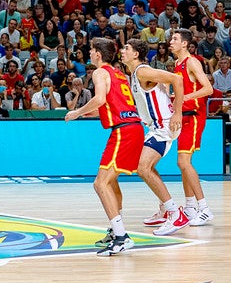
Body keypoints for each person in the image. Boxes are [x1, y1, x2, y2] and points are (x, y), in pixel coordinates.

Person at [65, 38, 144, 256]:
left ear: (98, 54)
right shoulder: (119, 74)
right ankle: (115, 229)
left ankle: (121, 236)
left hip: (124, 131)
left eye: (91, 50)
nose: (89, 53)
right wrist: (88, 114)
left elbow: (99, 99)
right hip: (133, 128)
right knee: (111, 181)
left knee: (100, 183)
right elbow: (110, 104)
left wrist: (77, 112)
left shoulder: (100, 73)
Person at [121, 39, 190, 236]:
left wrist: (177, 112)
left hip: (165, 125)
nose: (122, 51)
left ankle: (176, 213)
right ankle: (164, 208)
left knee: (142, 168)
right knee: (146, 167)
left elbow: (177, 79)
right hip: (156, 125)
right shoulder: (135, 74)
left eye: (126, 48)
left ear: (136, 54)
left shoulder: (142, 71)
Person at [170, 29, 215, 225]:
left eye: (175, 39)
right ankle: (189, 208)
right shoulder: (177, 64)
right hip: (184, 117)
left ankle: (204, 208)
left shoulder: (192, 62)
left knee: (183, 162)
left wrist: (184, 98)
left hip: (195, 116)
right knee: (183, 164)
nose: (170, 41)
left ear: (185, 44)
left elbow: (208, 88)